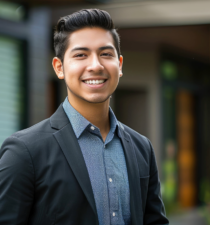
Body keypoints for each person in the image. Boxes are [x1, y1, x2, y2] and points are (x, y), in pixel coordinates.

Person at [0, 9, 169, 225]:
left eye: (106, 54)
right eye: (81, 55)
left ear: (120, 65)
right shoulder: (24, 151)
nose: (96, 65)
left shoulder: (141, 147)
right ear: (59, 67)